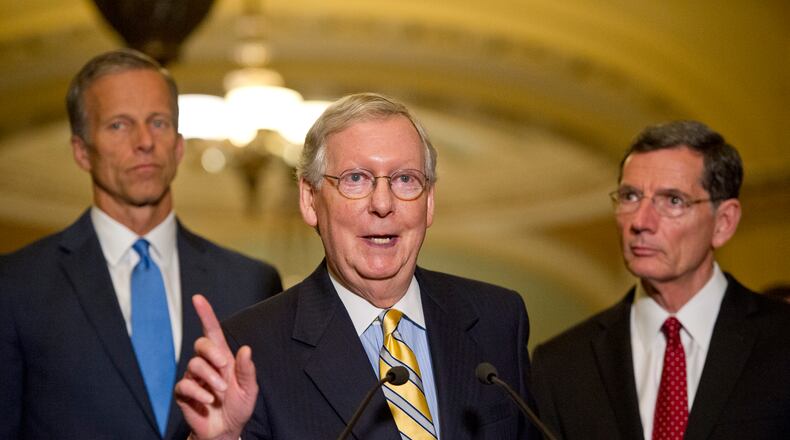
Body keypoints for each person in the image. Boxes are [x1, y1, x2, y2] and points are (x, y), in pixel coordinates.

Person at [173, 93, 535, 439]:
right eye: (355, 179)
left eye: (405, 179)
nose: (382, 203)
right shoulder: (250, 347)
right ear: (310, 200)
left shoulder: (498, 319)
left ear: (429, 203)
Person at [0, 49, 282, 440]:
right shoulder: (15, 286)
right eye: (119, 125)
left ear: (179, 146)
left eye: (159, 122)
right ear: (82, 151)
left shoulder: (251, 283)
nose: (145, 141)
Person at [531, 120, 790, 439]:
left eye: (673, 201)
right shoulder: (562, 364)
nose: (641, 221)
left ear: (723, 222)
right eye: (630, 196)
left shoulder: (781, 340)